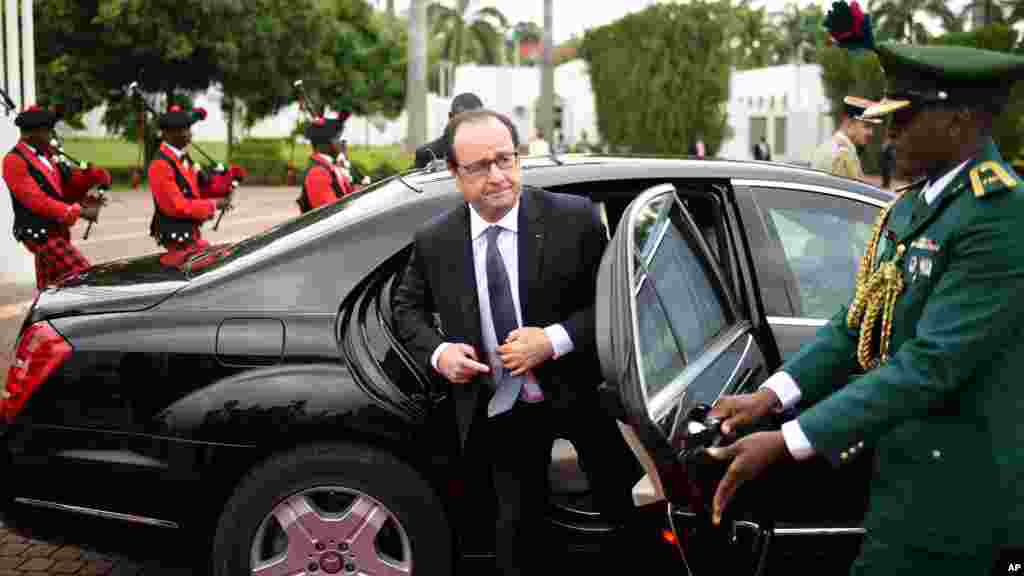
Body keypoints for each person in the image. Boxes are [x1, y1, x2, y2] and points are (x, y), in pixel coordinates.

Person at [705, 6, 1024, 573]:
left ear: (957, 124)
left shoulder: (999, 216)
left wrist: (788, 441)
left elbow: (931, 364)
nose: (888, 133)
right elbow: (858, 324)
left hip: (966, 494)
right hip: (902, 474)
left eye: (903, 119)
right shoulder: (915, 205)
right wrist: (770, 398)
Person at [391, 109, 642, 576]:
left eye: (505, 160)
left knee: (629, 518)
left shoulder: (574, 219)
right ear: (454, 172)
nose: (497, 176)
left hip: (582, 397)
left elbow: (614, 302)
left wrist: (553, 341)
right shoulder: (436, 240)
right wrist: (441, 352)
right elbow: (406, 310)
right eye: (479, 167)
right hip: (500, 409)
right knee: (516, 538)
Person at [3, 104, 111, 290]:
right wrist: (74, 210)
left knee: (52, 289)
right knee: (83, 275)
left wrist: (93, 175)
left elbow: (67, 185)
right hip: (39, 233)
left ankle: (47, 317)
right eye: (47, 131)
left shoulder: (47, 157)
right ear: (31, 134)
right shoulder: (14, 160)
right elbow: (35, 200)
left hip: (55, 230)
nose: (51, 136)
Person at [148, 104, 245, 267]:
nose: (190, 133)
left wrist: (228, 181)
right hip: (177, 241)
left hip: (191, 235)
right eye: (184, 129)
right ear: (168, 134)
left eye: (188, 128)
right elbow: (177, 206)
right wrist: (214, 204)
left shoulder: (183, 158)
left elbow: (200, 190)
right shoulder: (160, 165)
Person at [811, 95, 881, 180]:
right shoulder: (842, 154)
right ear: (849, 123)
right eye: (867, 126)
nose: (871, 133)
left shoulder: (832, 146)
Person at [297, 113, 355, 213]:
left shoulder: (331, 167)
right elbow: (330, 214)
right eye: (338, 138)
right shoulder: (318, 173)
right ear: (326, 144)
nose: (343, 143)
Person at [414, 92, 483, 169]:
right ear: (451, 117)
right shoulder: (427, 153)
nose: (469, 126)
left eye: (475, 120)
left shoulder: (492, 148)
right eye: (463, 120)